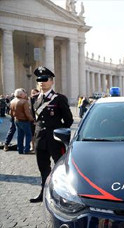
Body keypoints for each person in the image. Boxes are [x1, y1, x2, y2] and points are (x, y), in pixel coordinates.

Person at [30, 66, 74, 203]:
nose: (42, 82)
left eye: (45, 79)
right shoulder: (35, 99)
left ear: (52, 81)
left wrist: (58, 132)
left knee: (60, 168)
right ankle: (43, 192)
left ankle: (62, 195)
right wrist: (34, 138)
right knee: (43, 167)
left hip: (55, 140)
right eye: (39, 80)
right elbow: (34, 120)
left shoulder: (59, 98)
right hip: (40, 139)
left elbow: (69, 120)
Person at [10, 88, 34, 154]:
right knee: (28, 135)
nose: (25, 94)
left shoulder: (12, 101)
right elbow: (27, 113)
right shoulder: (24, 101)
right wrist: (32, 119)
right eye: (24, 93)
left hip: (16, 120)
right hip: (24, 121)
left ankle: (20, 150)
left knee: (20, 135)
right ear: (21, 94)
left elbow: (10, 113)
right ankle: (27, 149)